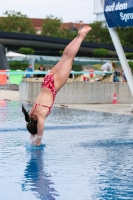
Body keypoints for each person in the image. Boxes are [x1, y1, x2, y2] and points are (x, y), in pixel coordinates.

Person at [22, 26, 92, 146]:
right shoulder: (31, 115)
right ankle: (77, 36)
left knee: (69, 58)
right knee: (65, 56)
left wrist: (37, 142)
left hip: (53, 86)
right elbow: (32, 129)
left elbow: (38, 138)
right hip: (46, 81)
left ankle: (81, 36)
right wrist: (32, 136)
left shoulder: (40, 119)